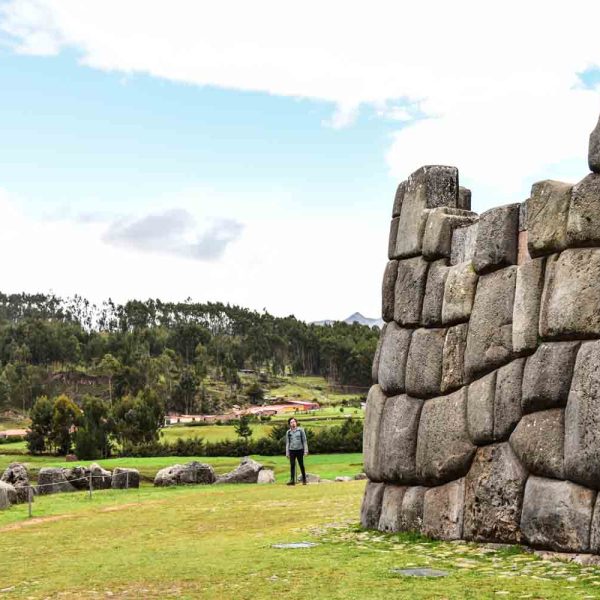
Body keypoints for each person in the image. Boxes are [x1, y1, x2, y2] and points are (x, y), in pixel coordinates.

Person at [285, 417, 308, 485]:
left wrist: (306, 451)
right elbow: (287, 443)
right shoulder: (288, 432)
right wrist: (287, 452)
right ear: (289, 424)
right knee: (292, 465)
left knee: (301, 465)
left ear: (296, 422)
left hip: (300, 450)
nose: (293, 423)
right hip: (292, 450)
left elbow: (304, 441)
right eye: (291, 422)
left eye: (294, 422)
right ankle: (292, 480)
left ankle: (304, 479)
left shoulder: (301, 430)